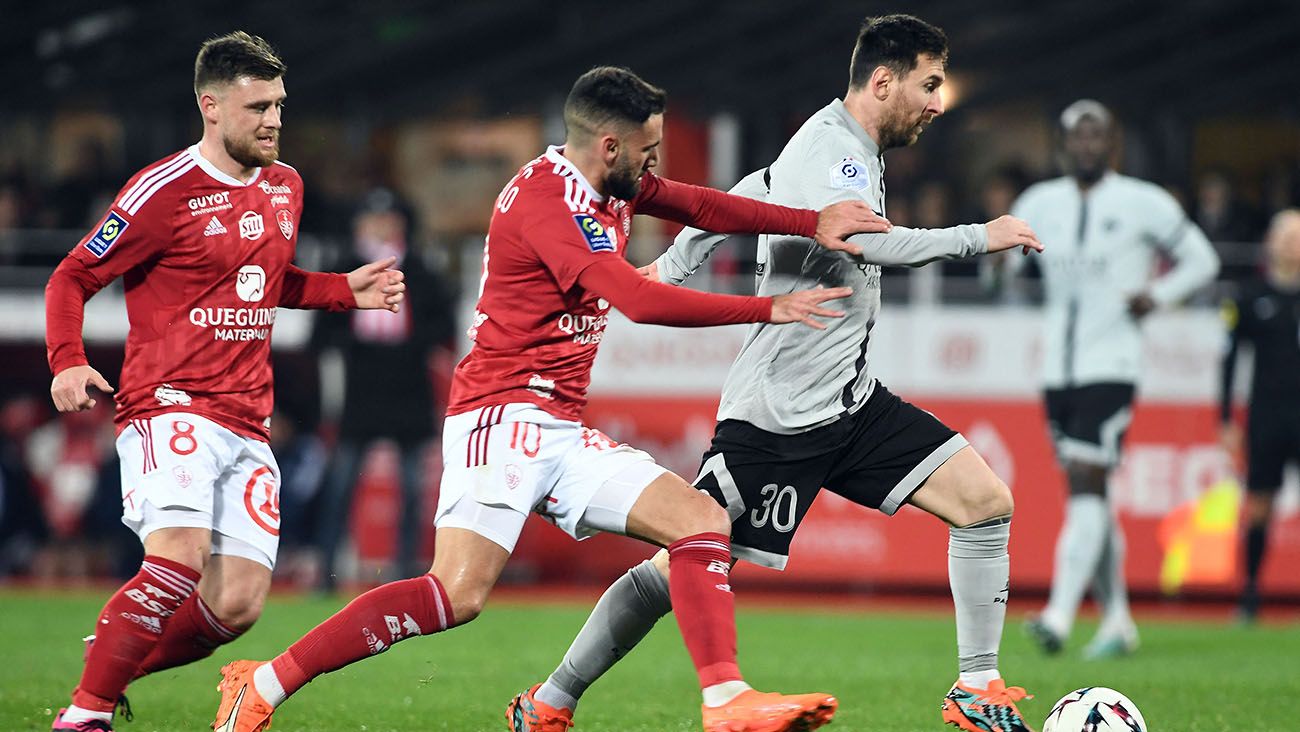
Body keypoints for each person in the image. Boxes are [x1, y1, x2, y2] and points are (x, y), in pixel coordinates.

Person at [211, 66, 888, 732]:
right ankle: (262, 682)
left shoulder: (614, 183)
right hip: (498, 418)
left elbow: (702, 205)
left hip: (556, 426)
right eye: (648, 151)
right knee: (455, 594)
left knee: (701, 521)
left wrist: (807, 220)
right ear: (610, 146)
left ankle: (725, 700)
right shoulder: (546, 201)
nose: (655, 165)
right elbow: (638, 299)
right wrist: (768, 308)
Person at [505, 15, 1044, 732]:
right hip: (777, 418)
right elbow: (866, 245)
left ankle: (976, 687)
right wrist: (982, 235)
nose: (938, 103)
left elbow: (753, 189)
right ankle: (551, 699)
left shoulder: (838, 146)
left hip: (849, 405)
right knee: (677, 568)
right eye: (930, 84)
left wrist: (677, 259)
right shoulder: (837, 151)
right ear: (883, 82)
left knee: (984, 501)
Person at [43, 32, 406, 731]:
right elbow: (74, 275)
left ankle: (113, 662)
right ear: (211, 106)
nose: (273, 120)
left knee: (237, 605)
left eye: (279, 105)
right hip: (168, 404)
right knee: (178, 560)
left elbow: (260, 280)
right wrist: (65, 358)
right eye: (257, 106)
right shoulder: (162, 190)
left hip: (247, 418)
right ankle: (84, 716)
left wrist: (340, 291)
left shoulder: (285, 185)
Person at [1010, 100, 1220, 659]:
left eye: (1097, 135)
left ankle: (1058, 614)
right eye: (1077, 136)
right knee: (1090, 496)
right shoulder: (1038, 202)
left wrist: (1160, 297)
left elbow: (1203, 260)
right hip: (1057, 367)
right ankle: (1119, 622)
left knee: (1086, 481)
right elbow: (1008, 269)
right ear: (1061, 145)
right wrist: (1000, 264)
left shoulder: (1142, 202)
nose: (1087, 145)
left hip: (1113, 365)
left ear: (1114, 143)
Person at [311, 188, 457, 590]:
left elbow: (443, 326)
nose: (381, 227)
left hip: (409, 389)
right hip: (361, 391)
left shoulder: (422, 269)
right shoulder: (343, 266)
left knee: (412, 488)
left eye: (388, 219)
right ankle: (326, 571)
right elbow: (320, 331)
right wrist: (357, 346)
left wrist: (409, 346)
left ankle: (405, 571)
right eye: (374, 220)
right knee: (341, 483)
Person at [1220, 209, 1300, 623]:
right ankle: (1250, 592)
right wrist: (1225, 418)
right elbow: (1230, 360)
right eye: (1285, 235)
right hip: (1268, 415)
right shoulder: (1251, 296)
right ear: (1271, 242)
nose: (1291, 244)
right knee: (1260, 505)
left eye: (1297, 236)